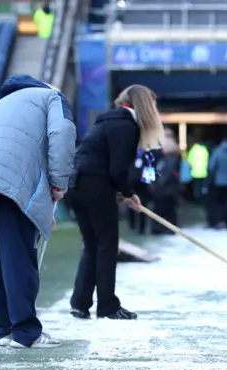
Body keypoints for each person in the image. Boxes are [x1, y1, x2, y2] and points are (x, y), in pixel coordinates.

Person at [0, 75, 76, 349]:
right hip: (9, 183)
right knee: (17, 254)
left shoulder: (0, 104)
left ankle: (3, 329)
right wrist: (59, 183)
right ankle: (25, 332)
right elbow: (63, 132)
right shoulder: (51, 97)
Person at [68, 84, 165, 320]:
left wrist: (120, 192)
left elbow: (101, 162)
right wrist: (128, 192)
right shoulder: (126, 126)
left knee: (92, 244)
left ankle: (80, 303)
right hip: (95, 186)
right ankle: (108, 306)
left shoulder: (107, 120)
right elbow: (118, 168)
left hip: (77, 185)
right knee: (107, 246)